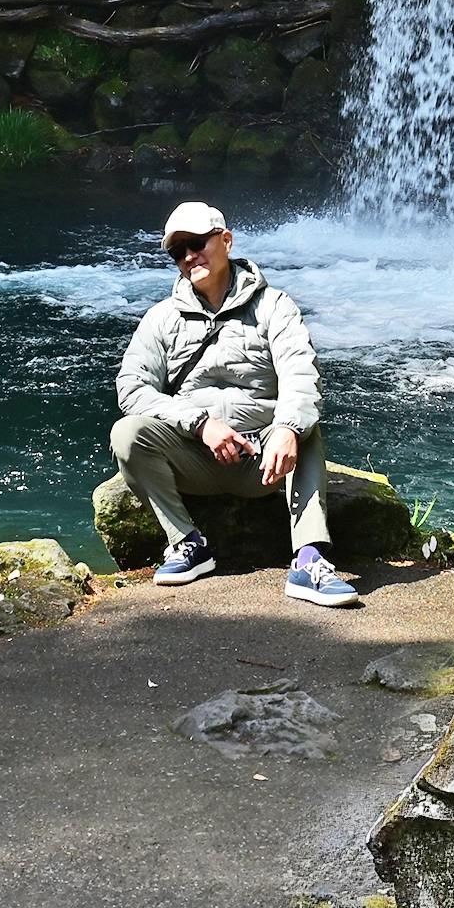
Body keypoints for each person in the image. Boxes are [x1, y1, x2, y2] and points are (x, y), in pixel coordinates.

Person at [109, 202, 359, 607]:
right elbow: (133, 389)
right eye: (178, 251)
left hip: (262, 460)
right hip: (194, 455)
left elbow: (301, 374)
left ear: (225, 240)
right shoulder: (159, 319)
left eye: (196, 243)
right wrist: (200, 424)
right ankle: (188, 544)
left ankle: (309, 561)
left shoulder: (275, 306)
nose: (189, 256)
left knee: (306, 430)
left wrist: (286, 428)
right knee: (127, 433)